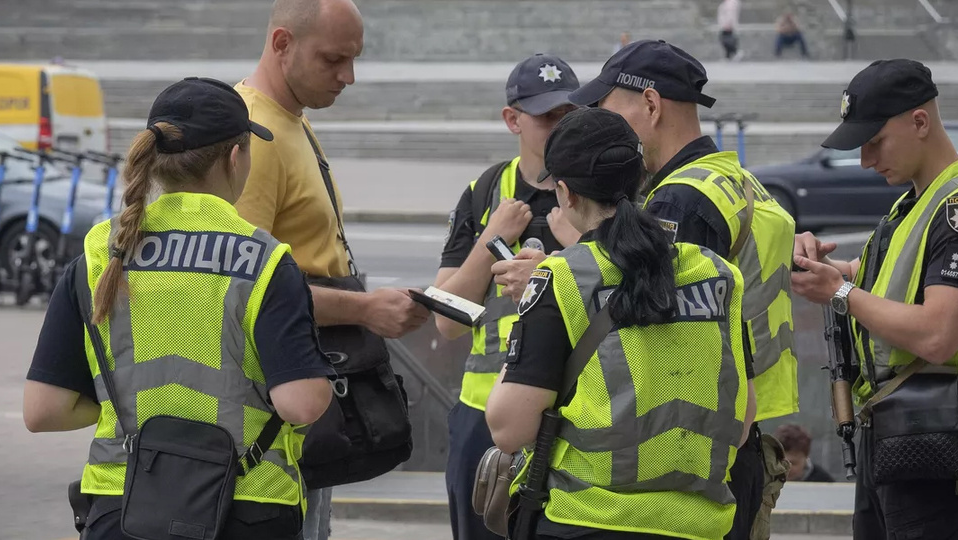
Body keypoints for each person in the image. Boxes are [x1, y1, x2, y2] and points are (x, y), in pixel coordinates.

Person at [22, 77, 334, 539]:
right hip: (245, 509)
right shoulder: (263, 260)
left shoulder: (99, 253)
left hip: (121, 505)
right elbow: (302, 403)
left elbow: (42, 411)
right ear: (235, 157)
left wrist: (123, 408)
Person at [486, 106, 756, 540]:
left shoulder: (563, 277)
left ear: (565, 192)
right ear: (641, 179)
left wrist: (526, 318)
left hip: (586, 522)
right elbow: (740, 426)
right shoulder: (717, 273)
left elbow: (507, 428)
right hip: (701, 526)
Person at [569, 39, 799, 540]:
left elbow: (655, 326)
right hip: (739, 425)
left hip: (701, 448)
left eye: (608, 111)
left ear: (650, 104)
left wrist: (563, 270)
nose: (605, 129)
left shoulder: (680, 200)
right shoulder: (735, 178)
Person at [792, 59, 958, 539]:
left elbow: (939, 335)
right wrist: (826, 269)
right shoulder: (915, 201)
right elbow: (885, 279)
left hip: (935, 442)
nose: (865, 160)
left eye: (875, 142)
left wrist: (838, 292)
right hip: (895, 431)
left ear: (919, 121)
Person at [234, 1, 430, 538]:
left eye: (355, 59)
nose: (348, 76)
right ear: (281, 44)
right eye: (334, 59)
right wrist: (364, 308)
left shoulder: (291, 120)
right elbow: (241, 289)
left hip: (297, 403)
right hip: (272, 418)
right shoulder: (252, 136)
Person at [434, 52, 579, 540]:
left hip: (577, 412)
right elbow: (446, 321)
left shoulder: (596, 191)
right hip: (485, 412)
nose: (558, 127)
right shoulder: (486, 191)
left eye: (567, 113)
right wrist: (489, 239)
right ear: (512, 119)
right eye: (545, 116)